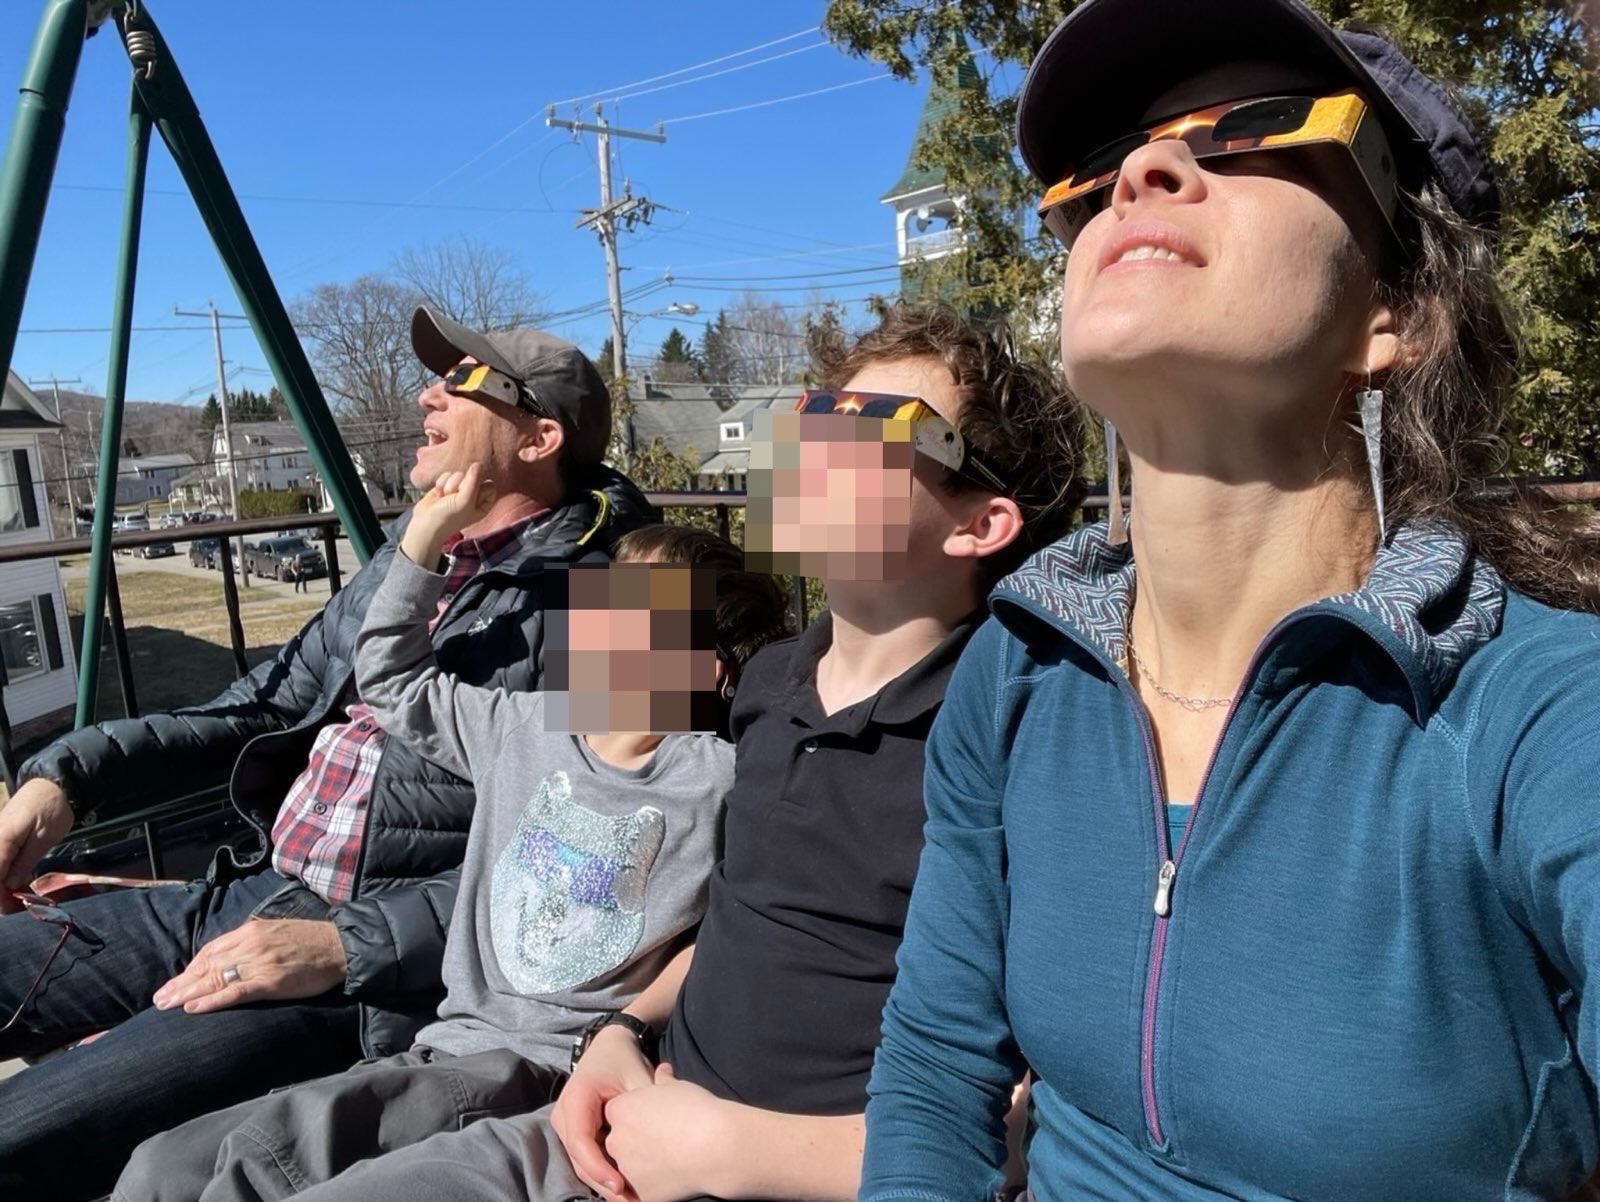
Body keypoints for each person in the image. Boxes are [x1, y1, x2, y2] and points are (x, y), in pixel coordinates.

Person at [858, 2, 1600, 1200]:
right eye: (1103, 174)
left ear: (1391, 312)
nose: (1141, 173)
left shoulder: (1537, 712)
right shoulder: (1014, 675)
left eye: (1253, 130)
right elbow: (939, 1067)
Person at [168, 301, 1085, 1202]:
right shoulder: (770, 687)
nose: (813, 448)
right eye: (815, 415)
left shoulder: (1015, 734)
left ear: (980, 524)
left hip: (758, 1158)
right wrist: (621, 1028)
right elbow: (731, 917)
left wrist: (738, 1150)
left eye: (877, 430)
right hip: (618, 1112)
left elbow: (1054, 1104)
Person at [0, 308, 655, 1199]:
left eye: (465, 383)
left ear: (541, 437)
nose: (428, 393)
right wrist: (66, 781)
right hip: (243, 892)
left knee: (24, 1128)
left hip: (356, 967)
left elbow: (596, 866)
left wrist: (342, 947)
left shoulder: (632, 596)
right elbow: (263, 706)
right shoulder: (416, 554)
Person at [110, 493, 792, 1202]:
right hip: (441, 1045)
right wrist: (425, 538)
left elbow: (742, 919)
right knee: (166, 1164)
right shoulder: (524, 725)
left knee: (263, 1157)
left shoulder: (720, 779)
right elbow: (392, 679)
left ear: (703, 669)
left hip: (541, 1063)